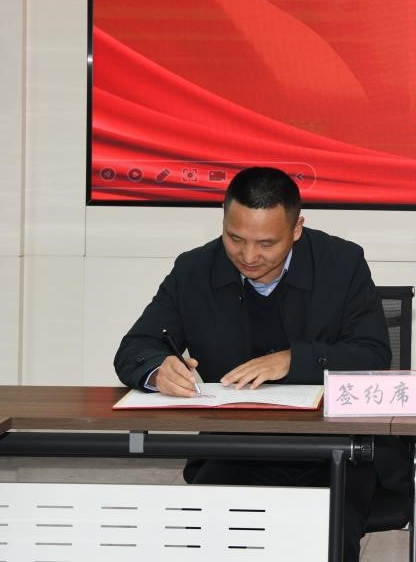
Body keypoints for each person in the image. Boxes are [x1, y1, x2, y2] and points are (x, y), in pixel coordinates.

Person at [114, 166, 391, 562]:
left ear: (296, 229)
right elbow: (135, 348)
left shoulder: (343, 263)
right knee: (205, 531)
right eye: (235, 238)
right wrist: (159, 370)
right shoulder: (194, 270)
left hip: (335, 448)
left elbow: (373, 355)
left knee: (329, 530)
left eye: (266, 243)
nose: (248, 256)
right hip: (236, 446)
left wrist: (293, 360)